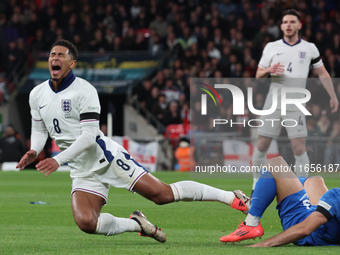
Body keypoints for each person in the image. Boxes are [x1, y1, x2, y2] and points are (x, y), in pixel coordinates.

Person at [16, 39, 250, 242]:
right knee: (87, 222)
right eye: (52, 54)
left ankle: (231, 197)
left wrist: (58, 160)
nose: (54, 58)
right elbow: (39, 127)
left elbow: (88, 136)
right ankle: (137, 224)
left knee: (162, 195)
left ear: (72, 63)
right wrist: (35, 149)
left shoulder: (84, 90)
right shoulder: (37, 93)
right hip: (81, 168)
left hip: (105, 158)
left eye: (61, 55)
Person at [252, 9, 339, 190]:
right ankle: (255, 184)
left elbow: (323, 73)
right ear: (281, 26)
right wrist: (268, 70)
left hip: (296, 103)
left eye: (292, 22)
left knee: (299, 147)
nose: (288, 25)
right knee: (262, 143)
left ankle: (302, 189)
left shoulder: (309, 48)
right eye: (285, 22)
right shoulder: (271, 47)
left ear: (299, 25)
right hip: (274, 102)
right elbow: (258, 75)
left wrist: (333, 95)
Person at [220, 156, 340, 246]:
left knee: (275, 164)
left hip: (302, 224)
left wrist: (263, 244)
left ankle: (251, 220)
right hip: (326, 227)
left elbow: (304, 229)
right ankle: (261, 197)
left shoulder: (336, 196)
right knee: (315, 180)